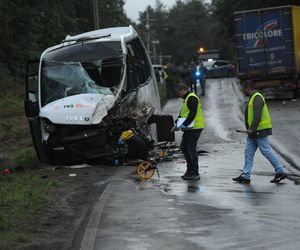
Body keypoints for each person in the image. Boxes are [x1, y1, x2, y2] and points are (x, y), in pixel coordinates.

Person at [232, 80, 287, 184]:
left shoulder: (257, 98)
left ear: (248, 88)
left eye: (244, 90)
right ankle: (245, 175)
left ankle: (280, 171)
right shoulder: (253, 98)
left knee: (266, 151)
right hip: (254, 132)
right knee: (248, 152)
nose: (243, 92)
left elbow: (257, 116)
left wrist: (251, 128)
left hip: (259, 131)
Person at [174, 83, 205, 180]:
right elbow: (184, 114)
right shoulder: (187, 99)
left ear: (183, 90)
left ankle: (195, 173)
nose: (178, 95)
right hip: (189, 128)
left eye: (178, 93)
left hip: (194, 128)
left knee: (191, 150)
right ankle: (190, 171)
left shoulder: (192, 98)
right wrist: (177, 123)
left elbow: (192, 114)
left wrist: (183, 125)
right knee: (184, 147)